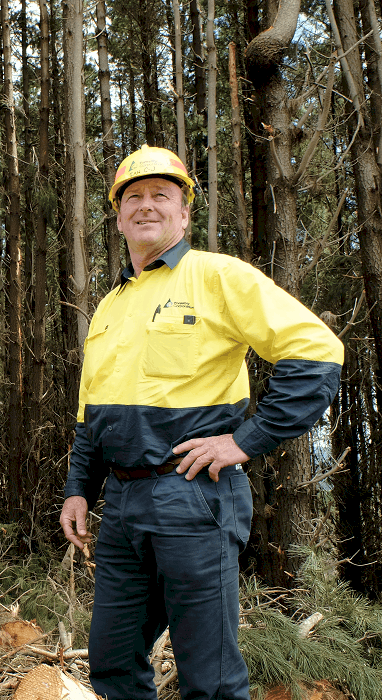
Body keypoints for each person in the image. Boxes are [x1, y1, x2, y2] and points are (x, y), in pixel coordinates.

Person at [59, 145, 344, 700]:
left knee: (208, 676)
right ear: (118, 217)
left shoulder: (216, 276)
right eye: (132, 197)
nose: (146, 206)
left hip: (192, 497)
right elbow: (92, 413)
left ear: (184, 213)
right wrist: (78, 490)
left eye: (161, 195)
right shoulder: (110, 306)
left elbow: (317, 351)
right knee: (114, 663)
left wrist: (246, 440)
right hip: (119, 506)